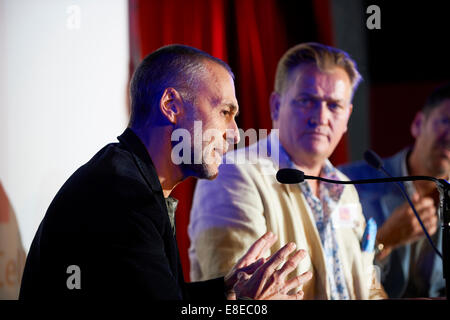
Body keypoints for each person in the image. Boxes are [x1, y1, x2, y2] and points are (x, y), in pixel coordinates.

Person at [19, 44, 312, 300]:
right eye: (225, 112)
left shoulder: (133, 178)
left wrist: (227, 290)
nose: (235, 134)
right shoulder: (123, 194)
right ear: (171, 106)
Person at [189, 42, 386, 299]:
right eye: (307, 100)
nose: (321, 117)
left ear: (347, 116)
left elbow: (367, 286)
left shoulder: (344, 187)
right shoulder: (233, 173)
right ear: (276, 106)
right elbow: (240, 296)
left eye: (334, 106)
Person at [339, 83, 450, 298]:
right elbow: (336, 272)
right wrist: (384, 241)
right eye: (446, 121)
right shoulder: (348, 183)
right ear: (418, 124)